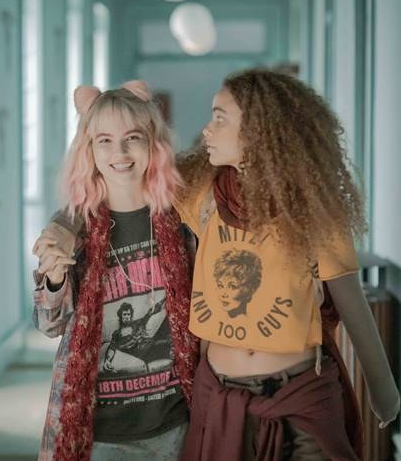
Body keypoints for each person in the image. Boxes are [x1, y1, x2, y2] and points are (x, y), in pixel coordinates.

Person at [41, 69, 400, 460]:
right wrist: (62, 226)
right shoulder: (202, 191)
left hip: (298, 393)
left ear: (259, 129)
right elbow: (114, 183)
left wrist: (383, 390)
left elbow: (352, 304)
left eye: (219, 118)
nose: (206, 129)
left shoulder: (314, 211)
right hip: (219, 392)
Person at [31, 81, 199, 461]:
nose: (119, 153)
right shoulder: (74, 229)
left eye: (132, 138)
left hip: (175, 420)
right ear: (88, 149)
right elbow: (48, 325)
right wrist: (55, 278)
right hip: (97, 428)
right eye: (104, 140)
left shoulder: (183, 220)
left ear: (152, 143)